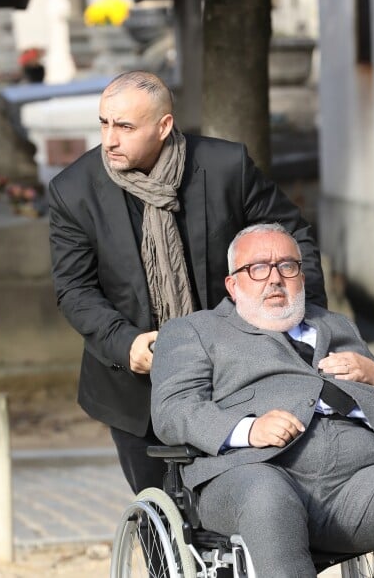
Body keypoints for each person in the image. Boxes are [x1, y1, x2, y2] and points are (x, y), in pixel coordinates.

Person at [48, 70, 327, 497]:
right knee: (161, 513)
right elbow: (75, 289)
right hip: (136, 388)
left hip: (238, 364)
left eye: (124, 126)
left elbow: (294, 239)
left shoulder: (223, 168)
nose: (109, 139)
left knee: (250, 500)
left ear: (163, 127)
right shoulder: (74, 190)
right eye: (104, 123)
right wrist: (128, 344)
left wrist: (299, 324)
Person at [150, 223, 374, 577]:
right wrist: (247, 429)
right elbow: (173, 409)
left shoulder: (336, 325)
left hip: (356, 486)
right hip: (254, 476)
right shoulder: (195, 331)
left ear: (302, 278)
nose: (275, 278)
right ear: (232, 285)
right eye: (258, 268)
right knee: (268, 495)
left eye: (287, 266)